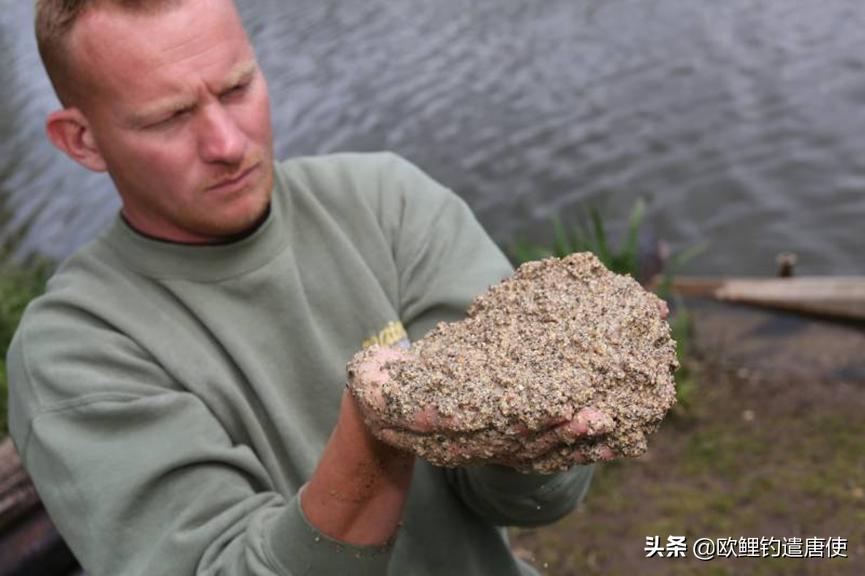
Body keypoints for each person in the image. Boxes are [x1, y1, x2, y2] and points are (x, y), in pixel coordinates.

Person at [7, 0, 616, 574]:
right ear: (80, 139)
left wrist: (535, 446)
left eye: (237, 88)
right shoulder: (72, 352)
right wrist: (376, 434)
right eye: (169, 117)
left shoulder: (389, 203)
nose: (226, 144)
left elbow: (523, 500)